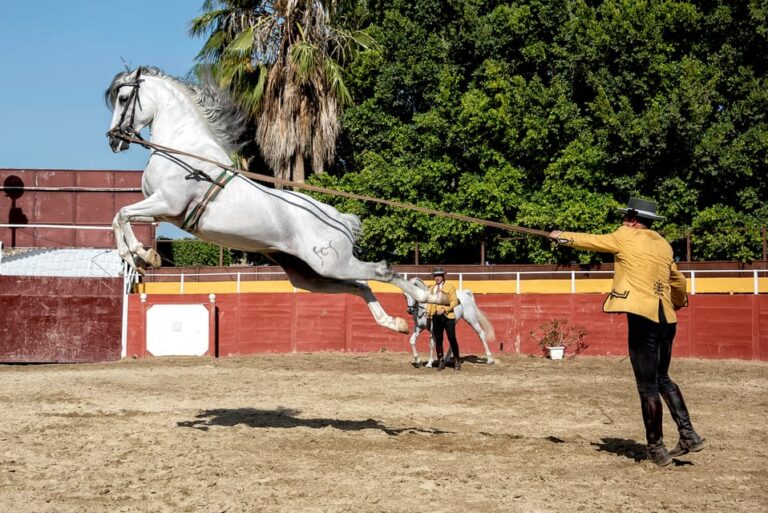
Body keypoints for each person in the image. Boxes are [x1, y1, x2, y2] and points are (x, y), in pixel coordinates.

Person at [549, 197, 705, 467]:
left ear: (633, 218)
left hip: (643, 316)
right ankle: (688, 434)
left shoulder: (625, 236)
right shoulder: (663, 244)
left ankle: (657, 448)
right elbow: (678, 280)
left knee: (647, 386)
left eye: (625, 216)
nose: (622, 220)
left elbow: (593, 241)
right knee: (662, 378)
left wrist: (562, 237)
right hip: (666, 316)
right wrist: (676, 303)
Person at [426, 267, 462, 370]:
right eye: (435, 276)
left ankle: (456, 360)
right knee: (438, 340)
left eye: (439, 276)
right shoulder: (432, 289)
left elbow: (455, 301)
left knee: (452, 338)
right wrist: (428, 313)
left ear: (443, 276)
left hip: (448, 316)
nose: (437, 278)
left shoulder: (450, 287)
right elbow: (430, 302)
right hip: (436, 317)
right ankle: (440, 361)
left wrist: (445, 309)